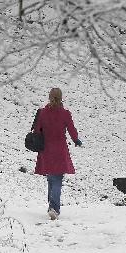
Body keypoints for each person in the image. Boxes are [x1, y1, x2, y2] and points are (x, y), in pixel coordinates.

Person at [33, 87, 81, 220]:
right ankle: (54, 208)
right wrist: (76, 140)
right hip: (60, 150)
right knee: (57, 179)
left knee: (51, 178)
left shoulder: (42, 113)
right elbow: (71, 129)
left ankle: (52, 206)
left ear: (49, 97)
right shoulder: (65, 113)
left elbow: (37, 130)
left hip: (46, 150)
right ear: (61, 98)